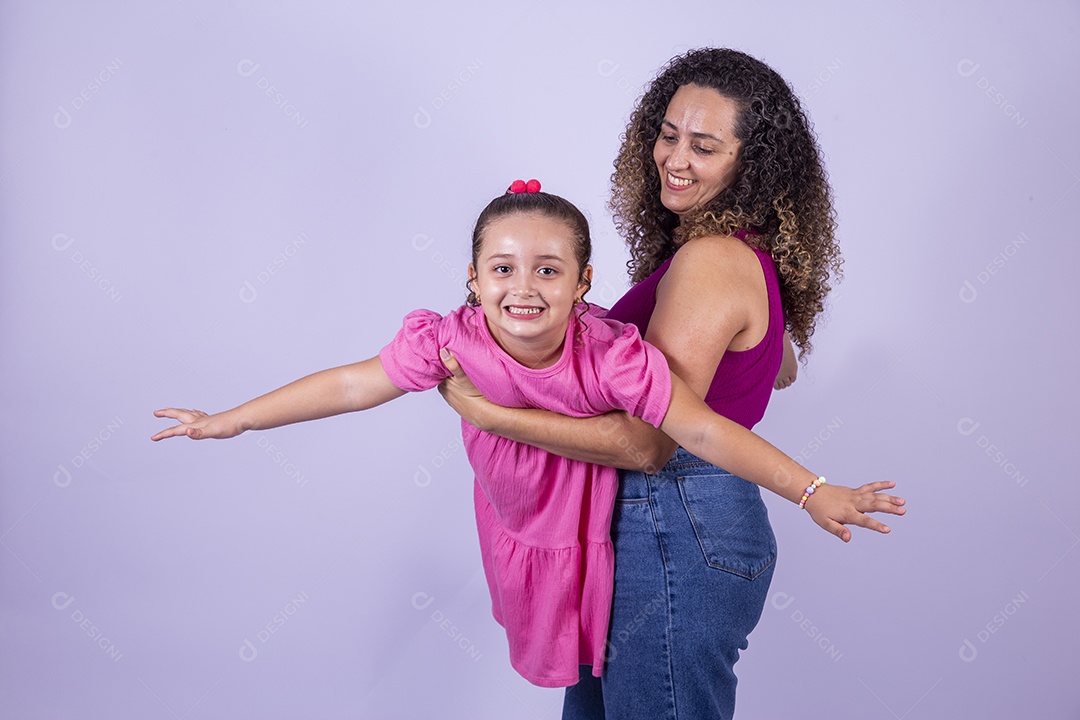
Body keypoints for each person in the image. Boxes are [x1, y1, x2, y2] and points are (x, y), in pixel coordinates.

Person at [152, 182, 902, 691]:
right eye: (503, 268)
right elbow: (353, 384)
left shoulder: (609, 354)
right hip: (520, 536)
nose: (524, 287)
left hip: (600, 538)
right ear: (473, 279)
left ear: (581, 284)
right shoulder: (449, 342)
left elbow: (699, 429)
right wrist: (233, 418)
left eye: (548, 270)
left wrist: (811, 489)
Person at [434, 49, 885, 719]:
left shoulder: (710, 260)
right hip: (665, 524)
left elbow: (648, 444)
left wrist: (491, 414)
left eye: (703, 145)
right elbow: (777, 364)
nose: (674, 156)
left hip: (675, 521)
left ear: (749, 165)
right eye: (668, 133)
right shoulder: (731, 255)